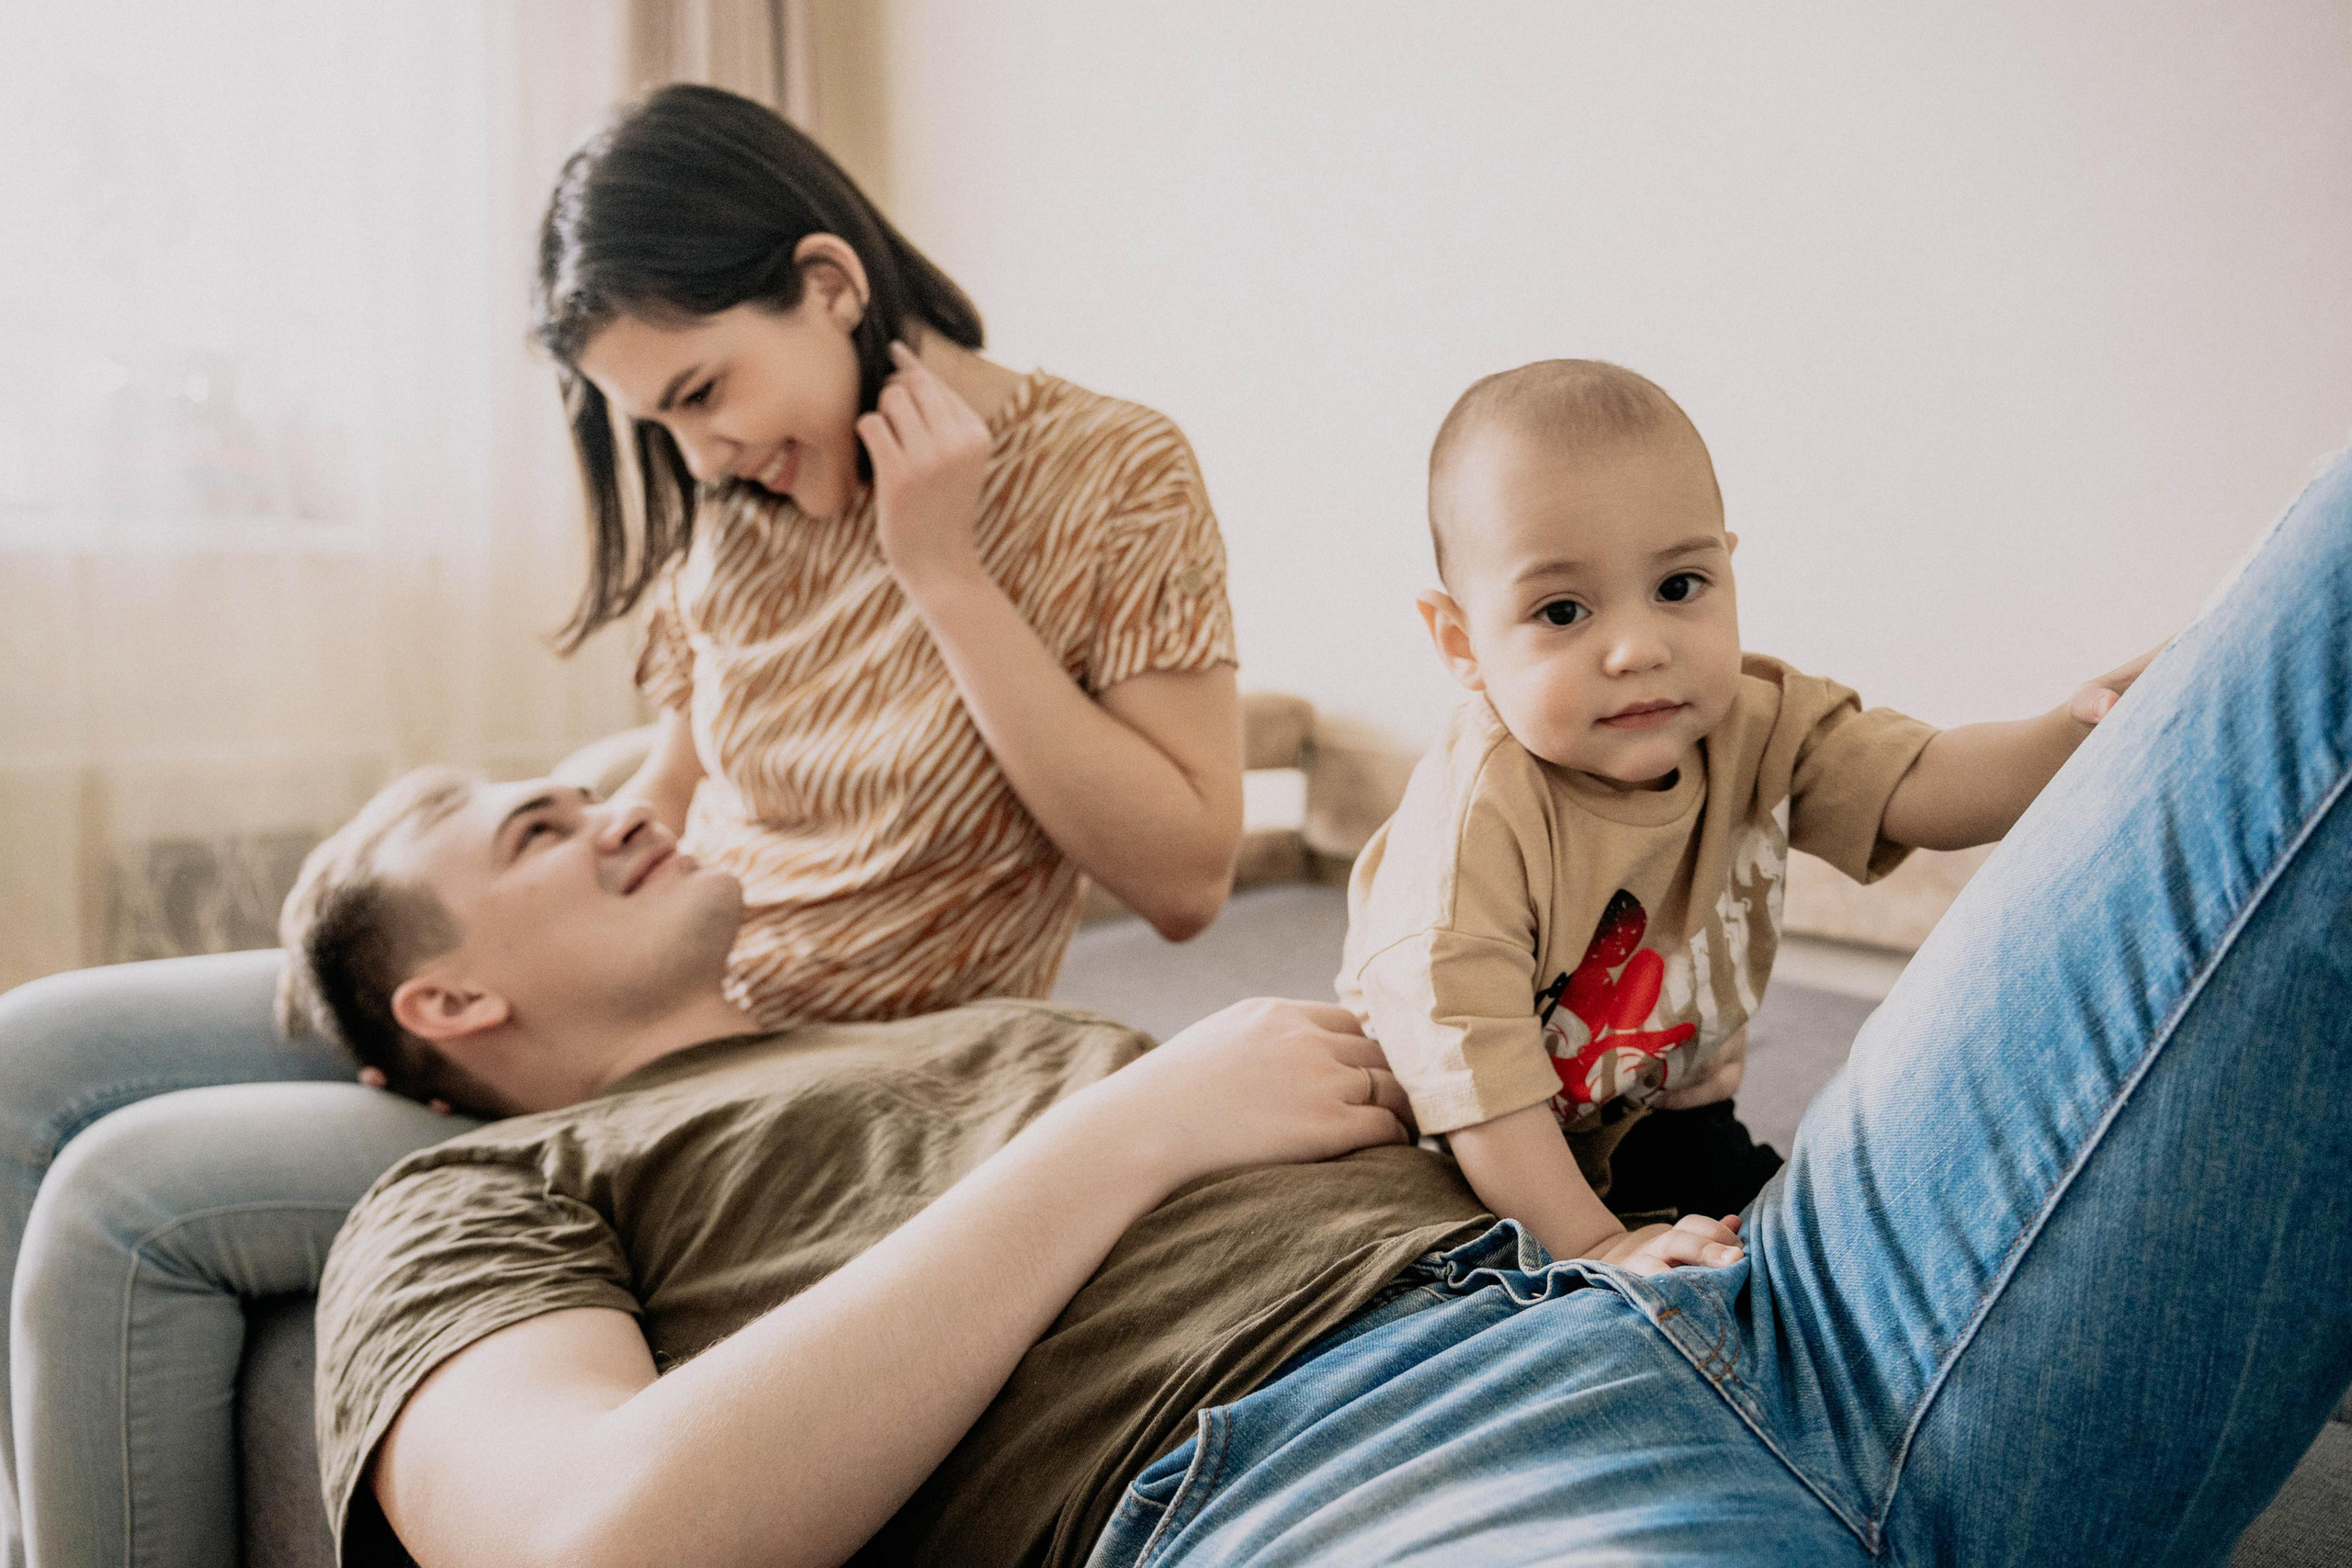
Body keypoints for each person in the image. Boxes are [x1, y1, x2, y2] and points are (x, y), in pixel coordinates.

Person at [308, 443, 2352, 1566]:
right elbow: (588, 1544)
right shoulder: (478, 1197)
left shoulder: (945, 1024)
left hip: (1783, 1294)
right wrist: (1142, 1119)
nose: (600, 801)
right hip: (1346, 1475)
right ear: (451, 991)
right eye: (523, 823)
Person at [0, 83, 1245, 1567]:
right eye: (657, 419)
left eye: (704, 392)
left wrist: (947, 578)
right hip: (627, 969)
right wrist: (407, 888)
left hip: (772, 1065)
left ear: (829, 285)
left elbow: (1184, 873)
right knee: (30, 1058)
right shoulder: (746, 495)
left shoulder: (1109, 473)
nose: (701, 455)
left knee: (123, 1202)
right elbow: (680, 767)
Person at [1339, 359, 2155, 1259]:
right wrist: (1602, 1249)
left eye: (1678, 588)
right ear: (1461, 640)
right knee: (1506, 1291)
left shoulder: (1755, 723)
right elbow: (1474, 1087)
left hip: (1652, 1113)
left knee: (1821, 1255)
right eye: (1563, 610)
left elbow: (1920, 783)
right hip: (1457, 1159)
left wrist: (2073, 733)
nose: (1637, 648)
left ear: (1726, 568)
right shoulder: (1471, 832)